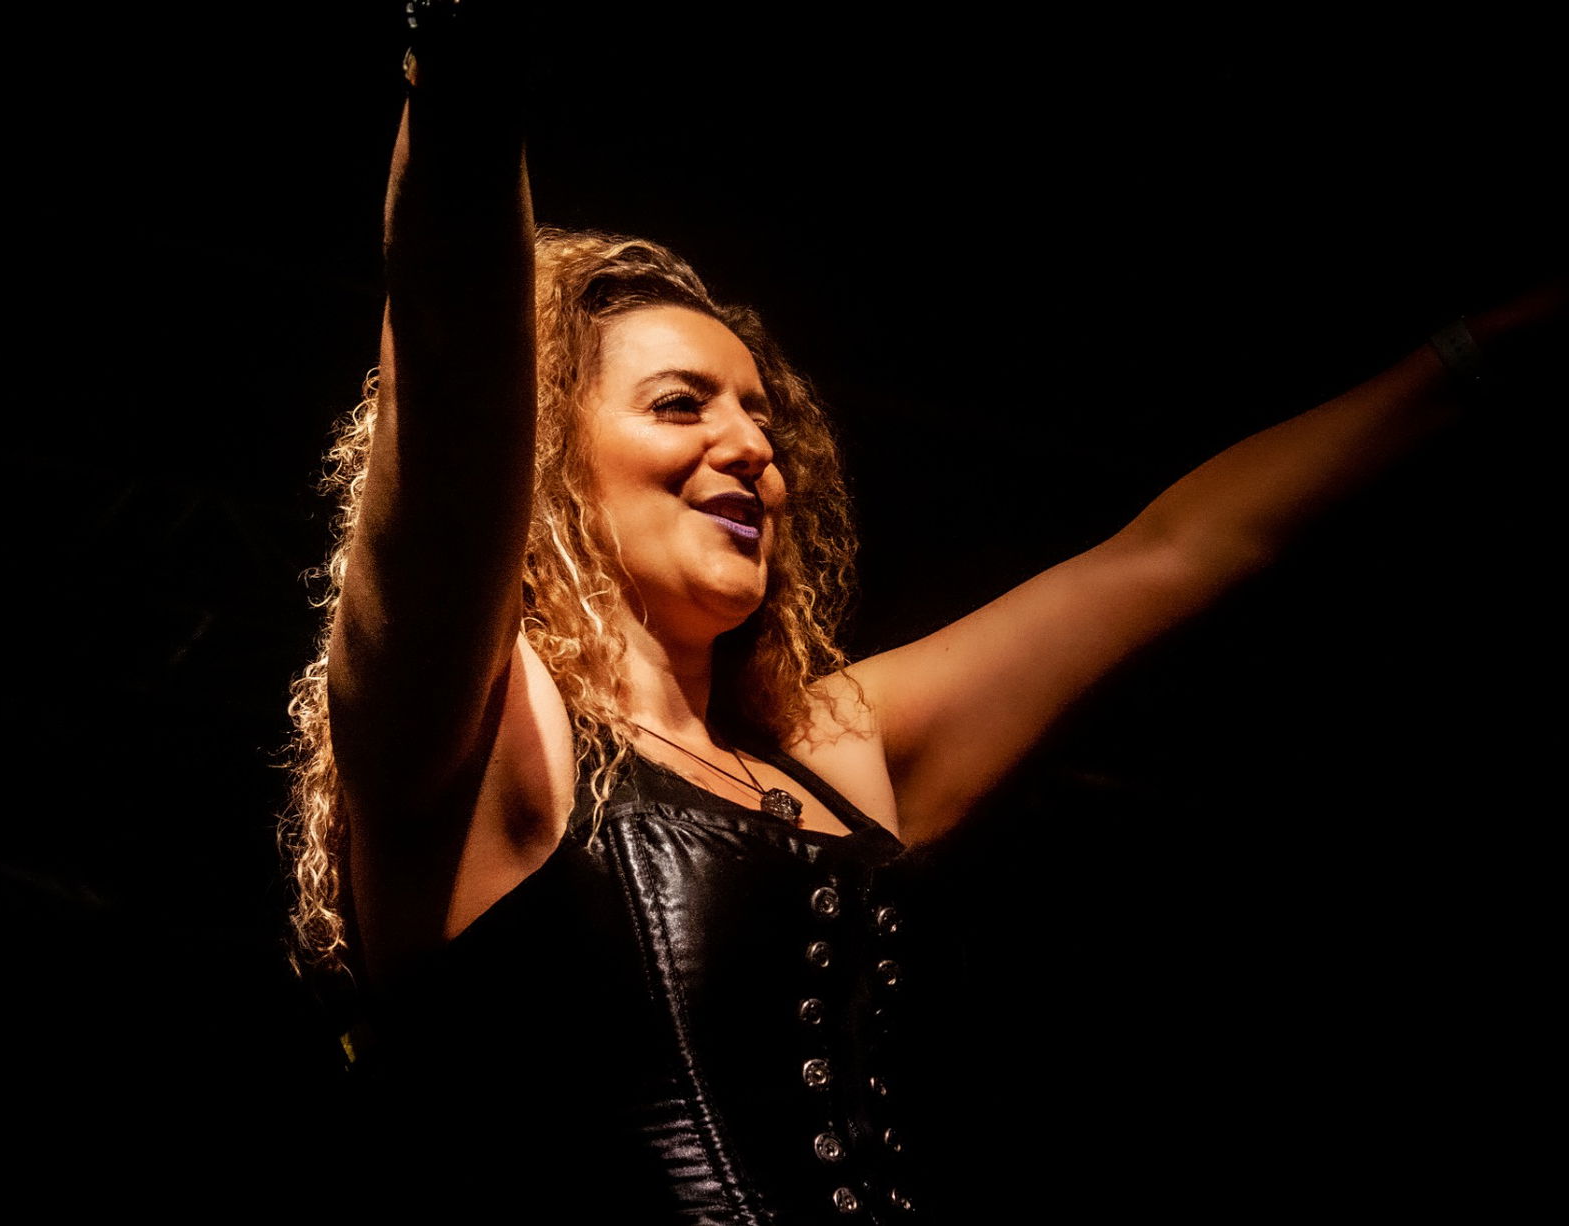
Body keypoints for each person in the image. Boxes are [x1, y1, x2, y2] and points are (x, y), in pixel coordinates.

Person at [279, 12, 1562, 1222]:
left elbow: (1170, 557)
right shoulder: (489, 740)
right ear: (549, 453)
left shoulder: (830, 754)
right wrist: (463, 58)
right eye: (681, 404)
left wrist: (1471, 358)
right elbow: (451, 379)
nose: (753, 448)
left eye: (761, 415)